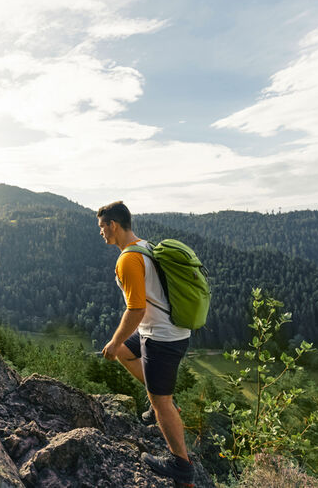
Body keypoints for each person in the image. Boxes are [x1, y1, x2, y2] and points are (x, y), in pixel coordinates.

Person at [97, 201, 194, 486]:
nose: (101, 233)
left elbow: (136, 309)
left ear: (113, 225)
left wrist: (114, 342)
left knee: (159, 400)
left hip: (162, 338)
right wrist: (121, 346)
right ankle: (161, 402)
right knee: (128, 354)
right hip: (166, 330)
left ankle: (182, 468)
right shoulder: (145, 246)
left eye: (102, 227)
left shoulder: (128, 259)